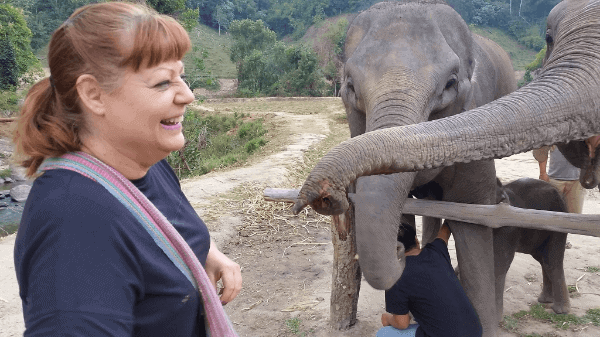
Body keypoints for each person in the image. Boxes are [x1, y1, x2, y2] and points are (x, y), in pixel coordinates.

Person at [12, 2, 240, 336]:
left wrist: (203, 251)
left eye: (182, 76)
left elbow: (160, 230)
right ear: (94, 95)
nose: (188, 95)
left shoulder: (145, 165)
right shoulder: (74, 222)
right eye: (163, 83)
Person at [377, 222, 482, 337]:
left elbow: (402, 323)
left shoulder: (395, 276)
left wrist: (388, 319)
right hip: (475, 331)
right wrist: (449, 218)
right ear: (416, 241)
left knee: (384, 333)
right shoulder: (437, 250)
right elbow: (444, 232)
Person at [533, 145, 584, 214]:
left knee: (575, 216)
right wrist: (543, 173)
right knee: (551, 215)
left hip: (577, 181)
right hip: (554, 180)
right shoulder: (554, 134)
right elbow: (541, 149)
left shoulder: (580, 134)